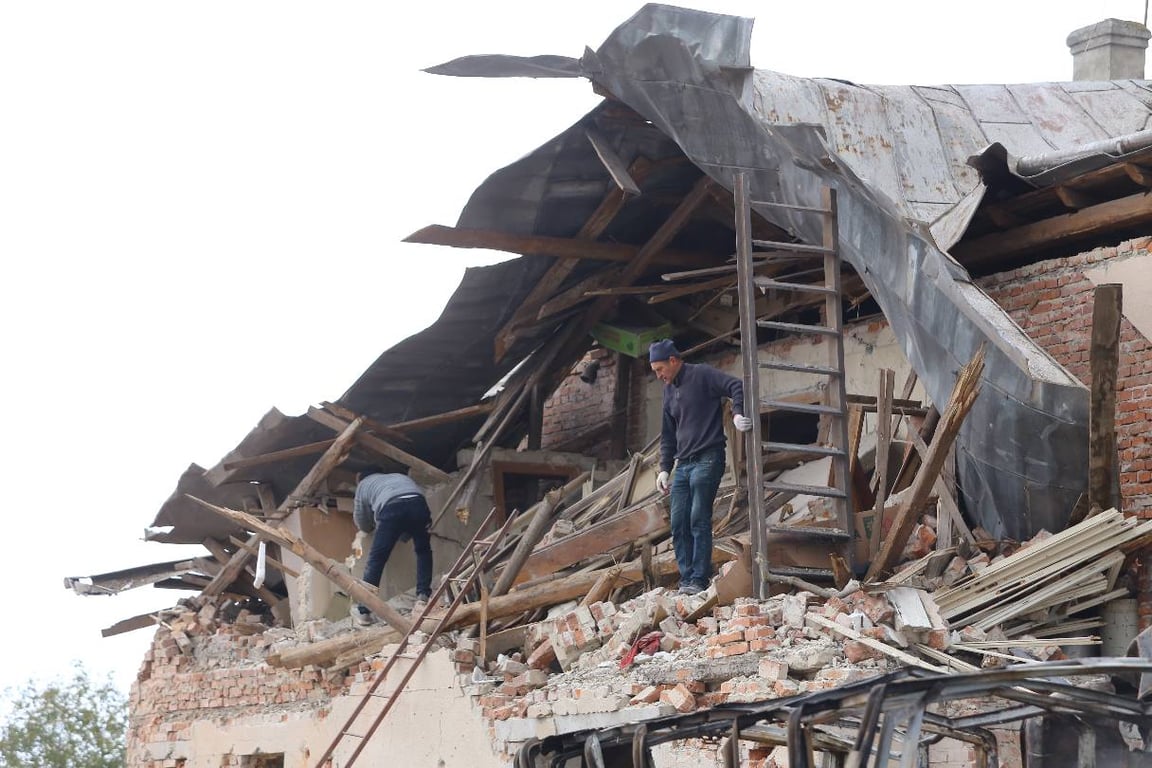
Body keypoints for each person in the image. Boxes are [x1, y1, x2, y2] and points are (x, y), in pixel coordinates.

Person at [649, 339, 753, 595]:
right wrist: (664, 468)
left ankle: (699, 579)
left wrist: (738, 413)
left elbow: (735, 386)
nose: (659, 375)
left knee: (698, 517)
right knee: (678, 522)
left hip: (709, 457)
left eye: (660, 369)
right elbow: (668, 434)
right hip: (683, 465)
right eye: (655, 372)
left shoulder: (702, 374)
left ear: (674, 360)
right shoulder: (668, 391)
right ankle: (686, 580)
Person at [351, 466, 433, 626]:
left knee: (377, 559)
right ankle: (423, 597)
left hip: (391, 507)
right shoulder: (396, 476)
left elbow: (362, 521)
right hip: (418, 504)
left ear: (360, 479)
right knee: (423, 551)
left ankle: (364, 612)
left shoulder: (363, 485)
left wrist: (377, 530)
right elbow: (408, 510)